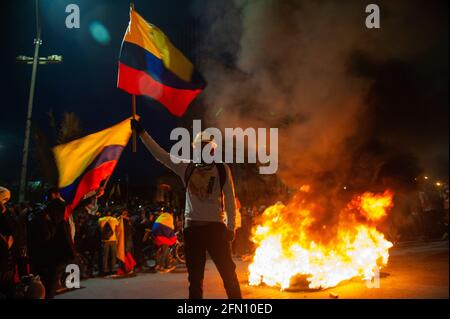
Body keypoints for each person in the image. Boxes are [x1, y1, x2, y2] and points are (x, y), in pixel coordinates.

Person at [131, 119, 242, 299]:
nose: (202, 150)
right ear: (195, 149)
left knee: (229, 275)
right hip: (193, 231)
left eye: (206, 147)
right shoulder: (186, 166)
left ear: (212, 149)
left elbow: (230, 199)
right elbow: (161, 155)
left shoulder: (222, 169)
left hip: (216, 229)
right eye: (199, 147)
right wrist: (142, 133)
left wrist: (230, 228)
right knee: (195, 279)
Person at [98, 211, 119, 276]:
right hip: (113, 239)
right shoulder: (114, 219)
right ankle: (113, 269)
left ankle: (105, 270)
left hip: (104, 240)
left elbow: (100, 228)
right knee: (113, 256)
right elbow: (117, 229)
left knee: (105, 256)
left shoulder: (100, 220)